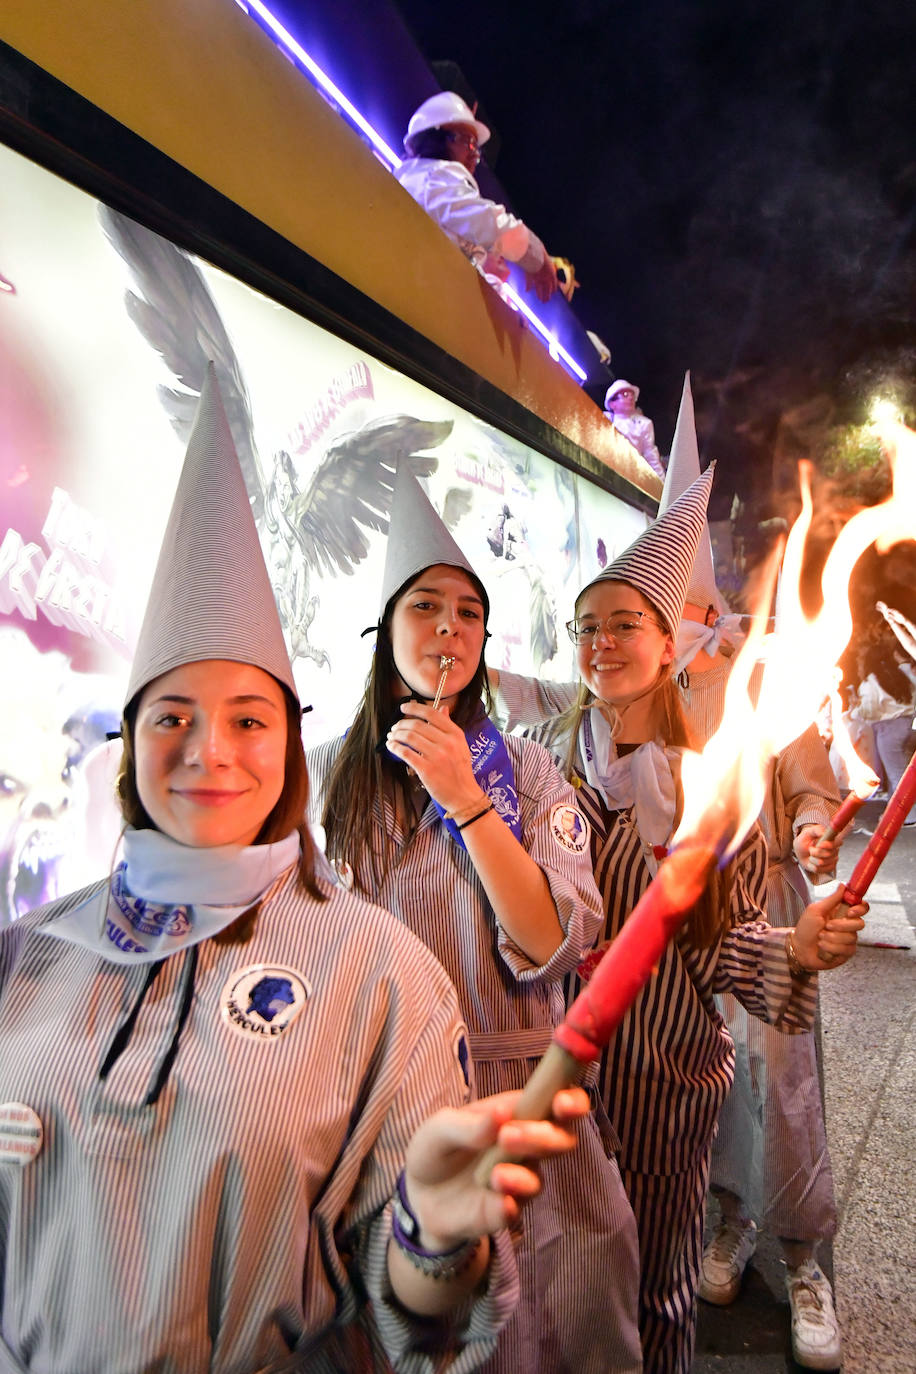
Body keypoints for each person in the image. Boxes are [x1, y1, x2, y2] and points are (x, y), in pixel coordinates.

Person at [0, 370, 595, 1374]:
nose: (212, 755)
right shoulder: (29, 955)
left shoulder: (501, 806)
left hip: (479, 1082)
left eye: (248, 720)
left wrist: (426, 1234)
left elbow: (549, 946)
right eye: (173, 717)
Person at [489, 467, 866, 1374]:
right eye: (588, 627)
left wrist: (797, 948)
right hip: (555, 1075)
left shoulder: (706, 785)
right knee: (553, 1281)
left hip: (665, 1074)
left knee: (660, 1288)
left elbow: (727, 946)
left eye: (626, 624)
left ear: (668, 643)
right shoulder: (537, 762)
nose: (602, 643)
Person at [307, 467, 643, 1374]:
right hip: (388, 1110)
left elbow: (551, 943)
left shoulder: (527, 774)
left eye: (467, 611)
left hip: (528, 1093)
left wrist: (467, 800)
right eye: (426, 607)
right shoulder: (326, 773)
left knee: (565, 1327)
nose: (449, 627)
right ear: (387, 632)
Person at [395, 91, 559, 301]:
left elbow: (465, 274)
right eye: (468, 141)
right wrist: (537, 257)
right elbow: (489, 222)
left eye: (477, 147)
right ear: (437, 139)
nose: (474, 153)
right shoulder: (434, 178)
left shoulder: (425, 181)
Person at [604, 380, 665, 479]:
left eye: (632, 395)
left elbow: (650, 454)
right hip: (608, 470)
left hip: (632, 475)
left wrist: (662, 484)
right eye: (625, 394)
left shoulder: (644, 423)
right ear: (612, 404)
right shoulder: (604, 419)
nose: (630, 398)